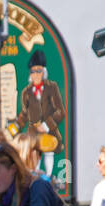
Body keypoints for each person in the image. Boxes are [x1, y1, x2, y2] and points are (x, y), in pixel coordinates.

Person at [11, 50, 65, 179]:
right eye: (33, 71)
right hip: (33, 132)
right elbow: (24, 113)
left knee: (49, 151)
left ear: (43, 72)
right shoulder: (26, 92)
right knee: (35, 154)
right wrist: (15, 127)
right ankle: (35, 176)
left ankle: (49, 176)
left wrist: (46, 125)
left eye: (38, 71)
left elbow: (60, 111)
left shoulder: (52, 88)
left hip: (49, 130)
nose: (36, 74)